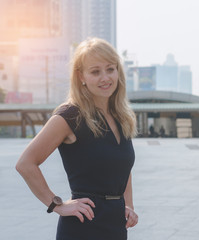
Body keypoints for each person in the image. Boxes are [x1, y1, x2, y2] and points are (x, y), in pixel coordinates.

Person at [16, 38, 138, 240]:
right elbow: (25, 163)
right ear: (81, 76)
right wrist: (57, 204)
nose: (105, 77)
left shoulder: (121, 117)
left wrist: (128, 204)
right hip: (83, 226)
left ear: (118, 71)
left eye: (110, 69)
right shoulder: (70, 115)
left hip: (116, 225)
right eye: (95, 71)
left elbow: (122, 167)